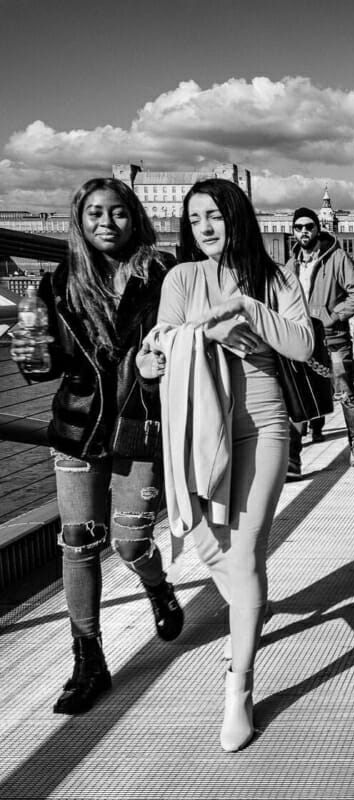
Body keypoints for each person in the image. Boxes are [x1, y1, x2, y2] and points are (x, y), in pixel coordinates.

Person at [149, 178, 313, 752]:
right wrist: (159, 354)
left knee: (243, 552)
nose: (205, 228)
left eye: (214, 215)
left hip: (264, 424)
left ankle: (238, 686)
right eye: (195, 220)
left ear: (236, 216)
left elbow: (303, 344)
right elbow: (164, 342)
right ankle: (250, 613)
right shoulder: (181, 278)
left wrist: (247, 309)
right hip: (200, 426)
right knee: (207, 543)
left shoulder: (275, 277)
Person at [9, 177, 183, 715]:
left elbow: (184, 341)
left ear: (135, 217)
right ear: (79, 224)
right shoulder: (58, 283)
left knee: (130, 544)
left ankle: (157, 585)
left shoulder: (163, 274)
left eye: (117, 212)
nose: (106, 222)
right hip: (79, 427)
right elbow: (48, 363)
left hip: (138, 426)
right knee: (78, 542)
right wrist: (29, 355)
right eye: (94, 214)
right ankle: (88, 661)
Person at [283, 207, 354, 475]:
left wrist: (332, 316)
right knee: (297, 397)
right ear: (293, 231)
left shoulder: (337, 258)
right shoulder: (290, 265)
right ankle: (293, 460)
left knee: (344, 392)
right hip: (302, 341)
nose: (304, 231)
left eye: (309, 226)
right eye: (299, 227)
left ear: (318, 228)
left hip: (333, 339)